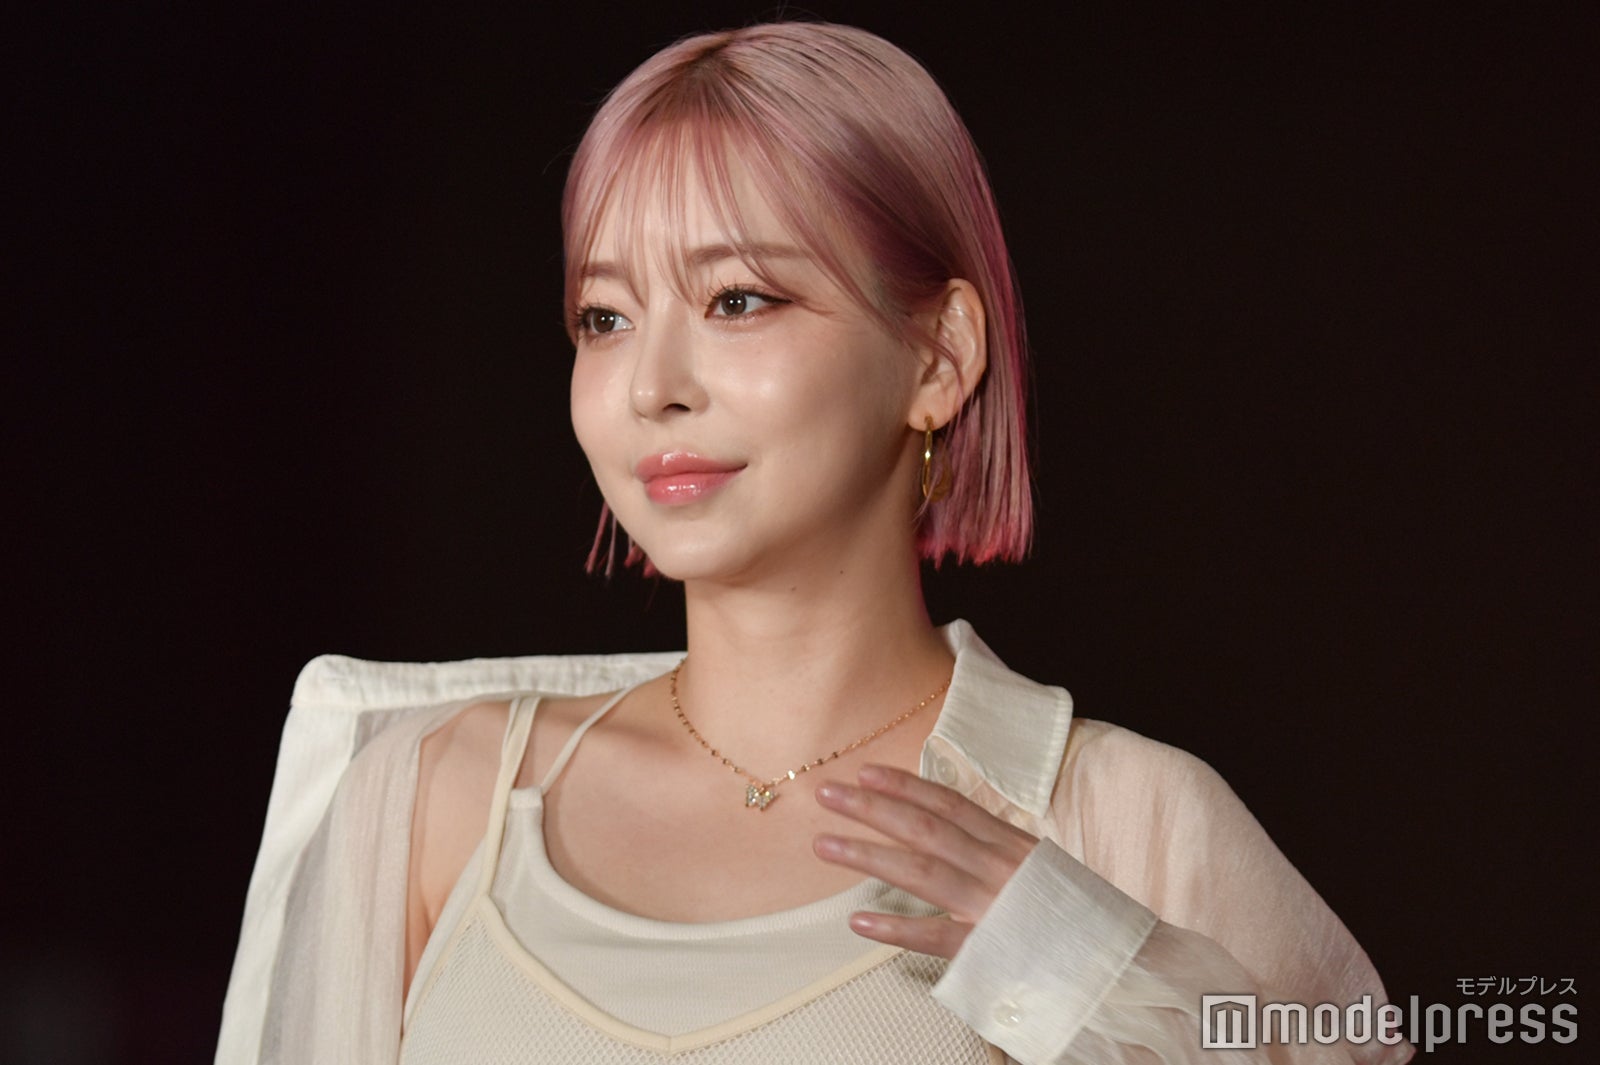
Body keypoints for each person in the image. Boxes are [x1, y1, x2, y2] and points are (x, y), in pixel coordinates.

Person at [217, 21, 1413, 1065]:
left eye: (737, 299)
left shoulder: (1120, 816)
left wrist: (1090, 972)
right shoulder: (430, 796)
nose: (651, 385)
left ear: (939, 356)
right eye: (604, 316)